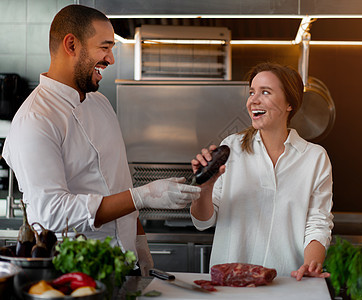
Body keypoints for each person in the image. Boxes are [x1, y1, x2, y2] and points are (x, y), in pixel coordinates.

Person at [2, 4, 200, 276]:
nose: (111, 59)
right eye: (104, 47)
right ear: (71, 44)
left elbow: (120, 184)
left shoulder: (101, 103)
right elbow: (52, 211)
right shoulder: (35, 119)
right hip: (73, 273)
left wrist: (140, 245)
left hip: (122, 266)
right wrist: (142, 196)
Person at [190, 62, 333, 280]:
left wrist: (310, 266)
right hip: (231, 285)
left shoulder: (314, 158)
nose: (253, 100)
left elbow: (318, 224)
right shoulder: (232, 148)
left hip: (287, 282)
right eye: (251, 92)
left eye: (265, 92)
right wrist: (205, 188)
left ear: (289, 104)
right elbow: (203, 222)